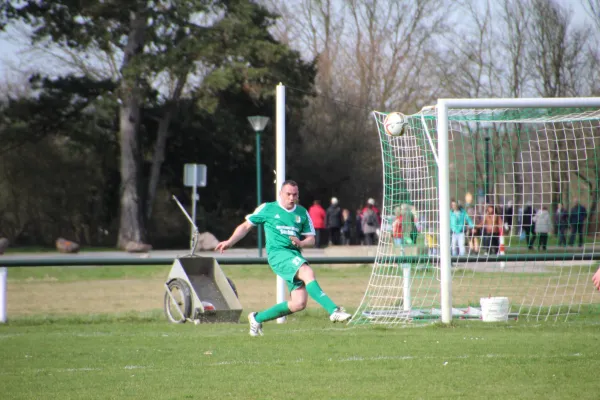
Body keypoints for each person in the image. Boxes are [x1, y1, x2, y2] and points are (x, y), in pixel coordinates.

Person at [215, 180, 351, 336]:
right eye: (288, 194)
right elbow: (246, 226)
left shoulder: (302, 212)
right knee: (307, 272)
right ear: (280, 194)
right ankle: (334, 310)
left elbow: (311, 240)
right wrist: (230, 242)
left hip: (294, 255)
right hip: (278, 255)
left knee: (299, 303)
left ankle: (257, 318)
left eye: (295, 195)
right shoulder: (268, 208)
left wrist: (301, 242)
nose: (291, 198)